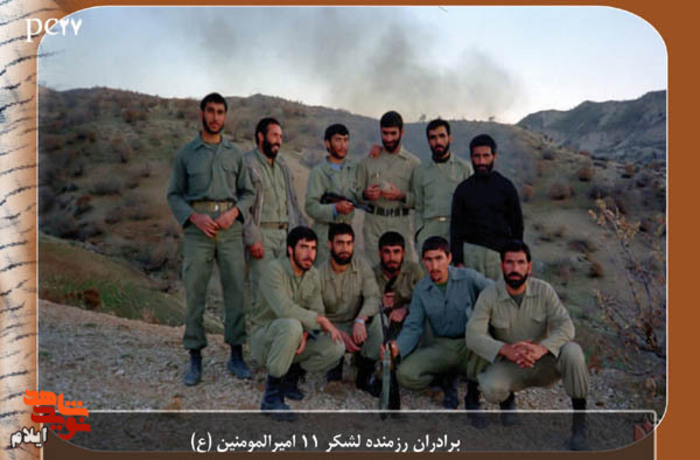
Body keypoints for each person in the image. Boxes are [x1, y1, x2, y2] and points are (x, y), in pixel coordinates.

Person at [166, 92, 256, 386]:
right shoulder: (187, 154)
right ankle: (195, 356)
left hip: (229, 229)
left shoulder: (235, 154)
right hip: (198, 230)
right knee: (195, 292)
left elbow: (248, 193)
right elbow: (174, 195)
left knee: (236, 291)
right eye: (210, 111)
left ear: (225, 116)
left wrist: (234, 214)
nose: (215, 117)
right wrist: (194, 217)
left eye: (220, 112)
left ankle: (236, 354)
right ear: (201, 114)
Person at [466, 240, 590, 450]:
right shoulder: (489, 295)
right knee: (490, 389)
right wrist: (506, 350)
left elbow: (566, 326)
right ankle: (507, 400)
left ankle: (579, 427)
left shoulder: (544, 290)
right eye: (509, 263)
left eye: (520, 263)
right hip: (511, 363)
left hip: (544, 362)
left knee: (573, 351)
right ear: (502, 266)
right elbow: (472, 335)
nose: (515, 268)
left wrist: (542, 348)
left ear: (529, 267)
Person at [384, 237, 492, 409]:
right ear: (423, 261)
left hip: (470, 344)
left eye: (439, 258)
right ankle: (442, 380)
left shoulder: (468, 277)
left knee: (493, 365)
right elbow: (413, 326)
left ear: (449, 258)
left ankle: (473, 391)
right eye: (429, 260)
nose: (434, 266)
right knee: (405, 374)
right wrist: (397, 347)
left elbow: (495, 291)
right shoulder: (421, 289)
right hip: (442, 346)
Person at [249, 226, 345, 418]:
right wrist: (318, 320)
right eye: (304, 247)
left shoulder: (313, 274)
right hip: (265, 339)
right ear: (290, 250)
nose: (310, 254)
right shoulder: (274, 270)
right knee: (292, 326)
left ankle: (291, 376)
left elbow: (317, 309)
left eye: (313, 248)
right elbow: (284, 309)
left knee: (336, 346)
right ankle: (271, 398)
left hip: (295, 337)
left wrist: (306, 334)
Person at [243, 117, 306, 307]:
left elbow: (292, 202)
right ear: (261, 136)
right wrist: (252, 237)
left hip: (285, 235)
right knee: (263, 292)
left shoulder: (283, 166)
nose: (279, 140)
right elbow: (241, 206)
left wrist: (301, 231)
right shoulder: (248, 164)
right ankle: (258, 327)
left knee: (284, 293)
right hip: (262, 235)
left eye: (280, 136)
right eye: (274, 135)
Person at [318, 223, 383, 394]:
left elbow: (373, 297)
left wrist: (361, 319)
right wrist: (336, 332)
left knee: (378, 320)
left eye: (348, 243)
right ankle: (333, 370)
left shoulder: (362, 266)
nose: (345, 249)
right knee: (323, 333)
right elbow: (316, 314)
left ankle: (366, 370)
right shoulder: (318, 274)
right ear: (330, 244)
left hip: (355, 324)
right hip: (332, 328)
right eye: (340, 243)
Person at [450, 134, 523, 280]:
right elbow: (456, 228)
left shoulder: (506, 187)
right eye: (477, 156)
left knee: (499, 293)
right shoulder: (463, 189)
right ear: (471, 157)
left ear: (494, 156)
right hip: (471, 255)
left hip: (499, 256)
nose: (481, 161)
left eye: (486, 156)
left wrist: (516, 257)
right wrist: (458, 261)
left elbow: (517, 226)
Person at [357, 111, 420, 265]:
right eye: (385, 133)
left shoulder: (413, 164)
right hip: (374, 224)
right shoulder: (368, 162)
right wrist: (365, 194)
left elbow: (420, 200)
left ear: (402, 132)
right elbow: (355, 195)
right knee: (374, 269)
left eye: (393, 133)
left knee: (407, 268)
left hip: (402, 223)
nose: (389, 138)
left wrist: (401, 196)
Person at [413, 119, 472, 252]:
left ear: (450, 138)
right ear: (428, 141)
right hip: (429, 230)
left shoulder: (464, 169)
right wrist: (419, 232)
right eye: (433, 137)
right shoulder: (420, 171)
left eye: (442, 136)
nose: (438, 141)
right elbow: (418, 206)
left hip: (455, 230)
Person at [305, 124, 360, 265]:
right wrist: (335, 208)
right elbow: (310, 207)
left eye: (346, 140)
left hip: (346, 236)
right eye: (338, 140)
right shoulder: (318, 173)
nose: (343, 145)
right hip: (324, 235)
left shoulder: (355, 169)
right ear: (327, 143)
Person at [374, 231, 424, 342]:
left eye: (396, 252)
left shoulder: (414, 271)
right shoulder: (372, 275)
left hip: (410, 323)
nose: (392, 257)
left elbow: (426, 299)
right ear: (379, 253)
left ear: (403, 253)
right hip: (384, 326)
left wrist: (406, 309)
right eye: (387, 252)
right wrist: (380, 304)